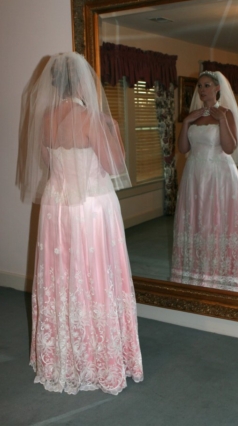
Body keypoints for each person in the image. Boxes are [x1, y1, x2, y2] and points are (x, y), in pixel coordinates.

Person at [17, 52, 143, 394]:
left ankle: (64, 357)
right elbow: (115, 165)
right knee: (95, 276)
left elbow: (48, 162)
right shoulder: (92, 119)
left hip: (56, 209)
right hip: (91, 208)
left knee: (64, 278)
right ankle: (98, 357)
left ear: (55, 83)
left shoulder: (44, 118)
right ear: (82, 82)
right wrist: (113, 129)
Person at [171, 70, 238, 293]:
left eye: (207, 85)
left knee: (215, 221)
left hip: (219, 176)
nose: (202, 90)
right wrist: (187, 121)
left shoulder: (226, 113)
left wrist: (222, 120)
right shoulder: (194, 114)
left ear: (218, 88)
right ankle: (195, 271)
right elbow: (183, 148)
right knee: (196, 221)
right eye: (200, 86)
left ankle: (220, 273)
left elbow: (229, 148)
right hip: (194, 174)